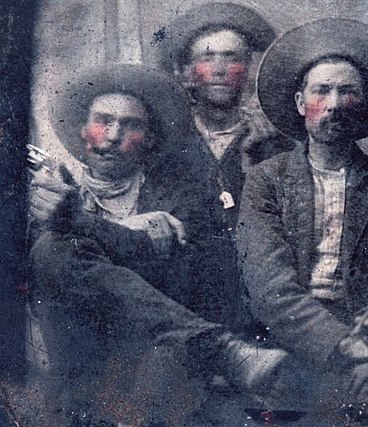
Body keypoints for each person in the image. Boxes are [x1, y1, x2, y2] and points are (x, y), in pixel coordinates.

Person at [28, 64, 299, 426]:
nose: (112, 136)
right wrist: (125, 228)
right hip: (77, 352)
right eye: (102, 121)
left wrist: (82, 224)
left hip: (156, 354)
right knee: (52, 249)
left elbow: (183, 272)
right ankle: (221, 351)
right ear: (82, 130)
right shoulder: (54, 192)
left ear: (151, 138)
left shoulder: (179, 196)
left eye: (131, 125)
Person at [238, 18, 368, 424]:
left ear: (364, 105)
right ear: (299, 103)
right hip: (288, 336)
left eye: (348, 92)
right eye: (322, 90)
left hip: (366, 330)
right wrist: (342, 343)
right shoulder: (266, 181)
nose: (335, 104)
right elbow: (269, 287)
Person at [160, 2, 294, 328]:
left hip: (257, 295)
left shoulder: (275, 142)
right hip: (181, 295)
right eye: (207, 57)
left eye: (232, 58)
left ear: (248, 70)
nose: (219, 69)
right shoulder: (165, 142)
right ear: (189, 72)